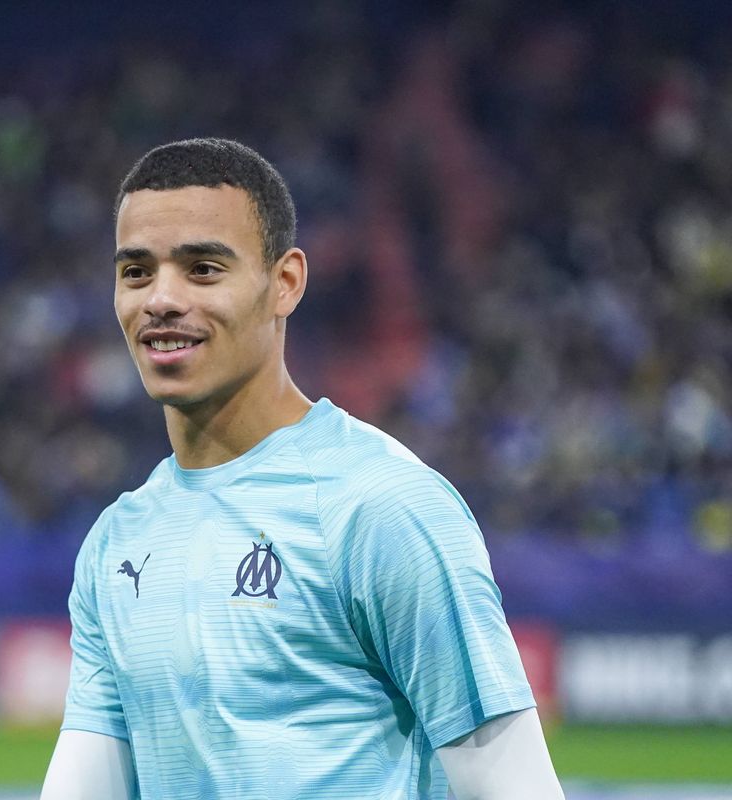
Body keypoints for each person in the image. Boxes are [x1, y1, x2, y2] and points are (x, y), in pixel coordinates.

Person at [40, 138, 563, 799]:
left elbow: (512, 787)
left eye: (203, 269)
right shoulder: (117, 543)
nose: (161, 299)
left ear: (284, 282)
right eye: (137, 272)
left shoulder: (380, 507)